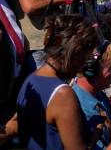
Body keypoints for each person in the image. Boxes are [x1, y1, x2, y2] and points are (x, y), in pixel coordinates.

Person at [16, 14, 98, 150]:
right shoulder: (63, 94)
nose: (84, 65)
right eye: (85, 57)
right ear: (75, 53)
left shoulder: (30, 80)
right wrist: (98, 135)